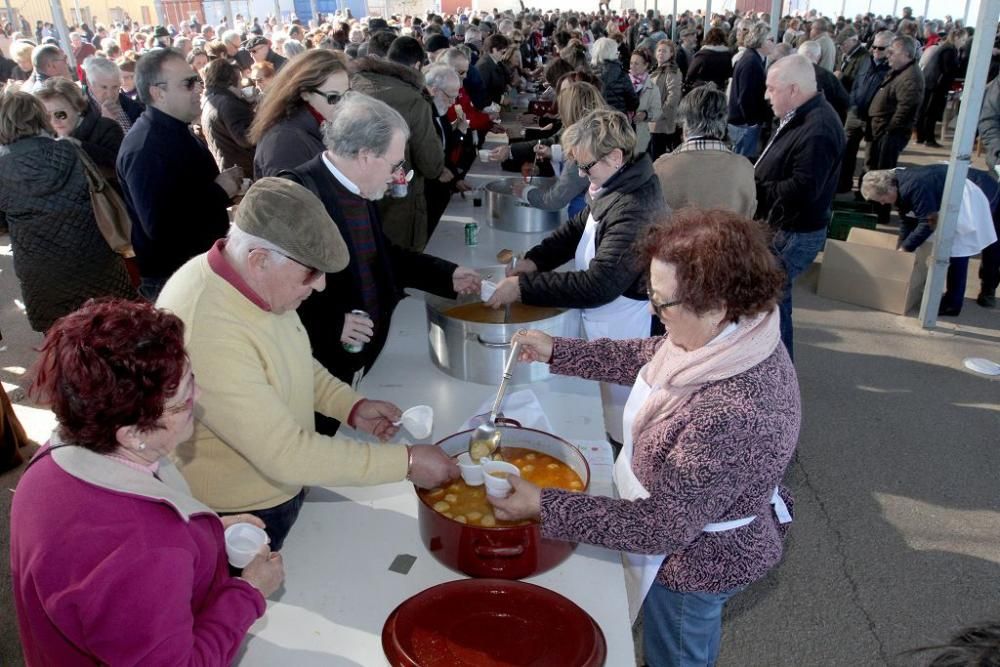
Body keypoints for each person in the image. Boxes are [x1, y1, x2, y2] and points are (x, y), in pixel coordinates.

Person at [490, 208, 798, 667]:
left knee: (678, 650)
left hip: (696, 563)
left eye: (662, 301)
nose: (653, 310)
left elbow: (662, 527)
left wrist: (542, 504)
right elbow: (653, 353)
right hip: (689, 523)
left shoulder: (732, 412)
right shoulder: (733, 335)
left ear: (715, 307)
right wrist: (560, 352)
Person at [156, 177, 458, 549]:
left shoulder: (254, 283)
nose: (320, 287)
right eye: (310, 273)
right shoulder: (206, 326)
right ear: (260, 259)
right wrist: (407, 462)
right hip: (244, 512)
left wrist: (351, 406)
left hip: (285, 483)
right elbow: (286, 454)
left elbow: (298, 360)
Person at [11, 298, 285, 665]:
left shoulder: (53, 459)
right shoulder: (147, 550)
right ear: (131, 434)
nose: (197, 396)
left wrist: (204, 534)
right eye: (182, 398)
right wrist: (249, 592)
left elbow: (94, 563)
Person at [282, 92, 480, 434]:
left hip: (366, 360)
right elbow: (270, 294)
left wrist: (447, 275)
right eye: (394, 164)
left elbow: (383, 256)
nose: (397, 175)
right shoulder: (298, 194)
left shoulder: (360, 187)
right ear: (364, 156)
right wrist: (329, 324)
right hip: (320, 374)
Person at [487, 109, 666, 445]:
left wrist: (522, 287)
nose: (583, 175)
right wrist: (535, 261)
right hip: (607, 322)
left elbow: (599, 284)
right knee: (604, 408)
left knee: (623, 423)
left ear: (615, 156)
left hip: (629, 326)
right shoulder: (613, 183)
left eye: (587, 166)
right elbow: (576, 230)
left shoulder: (634, 205)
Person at [0, 91, 135, 332]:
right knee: (114, 332)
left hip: (43, 273)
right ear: (40, 117)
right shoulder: (70, 151)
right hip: (94, 259)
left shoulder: (2, 168)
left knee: (64, 343)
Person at [117, 48, 240, 301]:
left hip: (196, 270)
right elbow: (162, 229)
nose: (198, 88)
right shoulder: (146, 147)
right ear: (157, 92)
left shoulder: (173, 130)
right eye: (188, 83)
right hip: (176, 281)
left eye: (197, 80)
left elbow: (187, 193)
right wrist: (219, 191)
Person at [754, 54, 846, 359]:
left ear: (793, 90)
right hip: (786, 228)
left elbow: (802, 189)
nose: (766, 96)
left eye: (771, 88)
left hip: (792, 233)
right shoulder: (803, 115)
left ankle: (778, 374)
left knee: (773, 305)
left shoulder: (817, 128)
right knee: (774, 302)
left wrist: (754, 189)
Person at [862, 167, 999, 316]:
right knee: (950, 243)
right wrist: (902, 248)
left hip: (978, 191)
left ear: (889, 191)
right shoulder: (896, 184)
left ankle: (954, 303)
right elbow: (907, 219)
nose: (882, 204)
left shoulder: (915, 188)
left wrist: (906, 248)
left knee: (958, 248)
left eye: (882, 200)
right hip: (951, 185)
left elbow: (928, 223)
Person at [351, 36, 446, 251]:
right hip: (398, 208)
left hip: (354, 206)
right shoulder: (412, 100)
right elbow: (432, 166)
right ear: (418, 66)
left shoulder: (351, 85)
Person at [654, 84, 756, 217]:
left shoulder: (661, 168)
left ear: (685, 122)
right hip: (730, 237)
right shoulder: (745, 167)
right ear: (723, 121)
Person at [249, 49, 349, 179]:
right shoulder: (283, 142)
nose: (344, 104)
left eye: (347, 94)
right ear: (305, 93)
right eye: (334, 97)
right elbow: (291, 197)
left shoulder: (325, 124)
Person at [512, 81, 606, 216]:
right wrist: (553, 153)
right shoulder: (599, 129)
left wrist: (525, 191)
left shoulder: (582, 145)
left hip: (589, 217)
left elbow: (554, 200)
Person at [34, 76, 124, 177]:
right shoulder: (46, 139)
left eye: (60, 114)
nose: (54, 121)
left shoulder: (106, 128)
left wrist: (80, 146)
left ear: (77, 108)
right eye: (47, 116)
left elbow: (121, 166)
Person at [838, 29, 893, 194]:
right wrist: (853, 102)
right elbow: (857, 83)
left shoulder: (892, 68)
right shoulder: (866, 61)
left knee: (871, 158)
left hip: (874, 118)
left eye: (881, 48)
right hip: (855, 114)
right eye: (874, 46)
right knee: (846, 151)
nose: (876, 50)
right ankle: (843, 184)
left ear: (891, 49)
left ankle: (865, 192)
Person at [866, 35, 923, 181]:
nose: (888, 55)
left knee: (882, 174)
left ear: (906, 54)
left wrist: (888, 130)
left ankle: (879, 203)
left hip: (889, 133)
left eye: (892, 53)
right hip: (881, 129)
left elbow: (906, 108)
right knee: (874, 167)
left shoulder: (911, 76)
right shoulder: (900, 70)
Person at [201, 58, 255, 175]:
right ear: (231, 82)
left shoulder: (211, 100)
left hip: (231, 168)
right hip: (244, 171)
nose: (241, 85)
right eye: (239, 80)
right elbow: (247, 138)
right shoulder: (228, 103)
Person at [727, 21, 772, 158]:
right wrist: (752, 122)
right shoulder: (752, 62)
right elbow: (745, 97)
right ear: (760, 41)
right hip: (743, 124)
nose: (773, 43)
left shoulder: (752, 58)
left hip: (742, 123)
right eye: (770, 40)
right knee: (741, 166)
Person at [917, 28, 968, 147]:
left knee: (927, 111)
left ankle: (922, 137)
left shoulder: (946, 48)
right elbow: (948, 69)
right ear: (956, 38)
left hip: (932, 82)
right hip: (936, 84)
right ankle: (928, 139)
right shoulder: (950, 50)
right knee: (931, 112)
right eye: (963, 39)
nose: (964, 42)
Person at [81, 55, 144, 134]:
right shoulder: (79, 111)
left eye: (115, 87)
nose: (110, 94)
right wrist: (106, 124)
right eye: (104, 87)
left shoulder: (132, 105)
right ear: (89, 83)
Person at [648, 39, 683, 159]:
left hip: (661, 121)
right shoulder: (656, 69)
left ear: (671, 54)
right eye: (659, 50)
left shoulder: (671, 71)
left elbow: (673, 96)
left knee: (658, 155)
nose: (661, 53)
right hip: (652, 119)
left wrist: (660, 113)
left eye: (664, 51)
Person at [798, 40, 849, 122]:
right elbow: (845, 101)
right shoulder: (828, 76)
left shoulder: (790, 73)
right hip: (825, 122)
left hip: (798, 123)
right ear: (818, 56)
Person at [628, 47, 662, 155]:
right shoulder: (624, 83)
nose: (632, 66)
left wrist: (645, 115)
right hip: (622, 135)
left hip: (640, 138)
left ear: (646, 65)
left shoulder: (652, 88)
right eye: (631, 63)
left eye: (636, 64)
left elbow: (657, 112)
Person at [592, 36, 638, 114]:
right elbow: (633, 103)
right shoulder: (622, 74)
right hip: (618, 120)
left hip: (596, 119)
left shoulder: (588, 74)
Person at [685, 28, 733, 94]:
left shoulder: (702, 55)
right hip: (720, 91)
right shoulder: (728, 56)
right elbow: (730, 74)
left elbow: (690, 74)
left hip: (700, 91)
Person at [476, 32, 510, 105]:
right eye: (502, 52)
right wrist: (501, 99)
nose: (504, 55)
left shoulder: (495, 62)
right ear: (494, 49)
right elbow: (483, 92)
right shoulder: (484, 66)